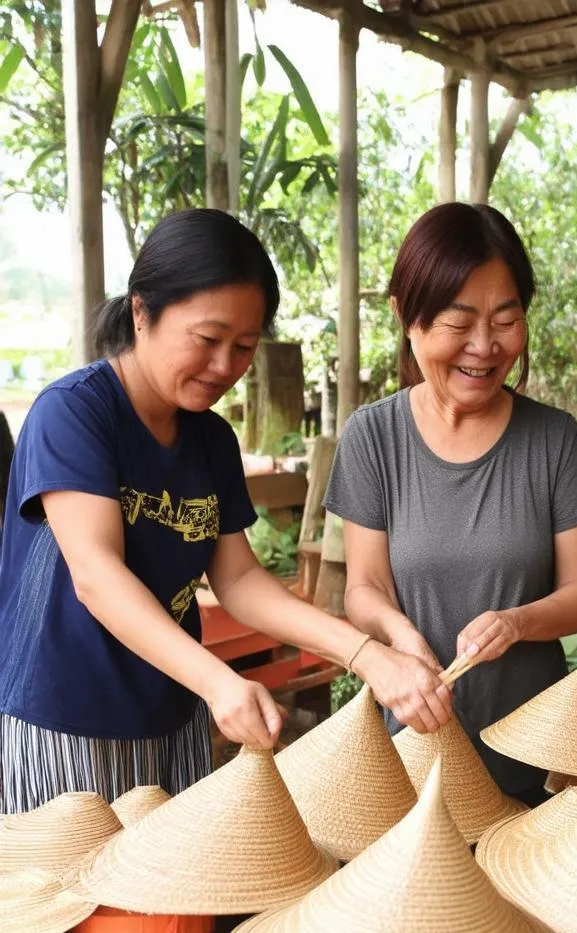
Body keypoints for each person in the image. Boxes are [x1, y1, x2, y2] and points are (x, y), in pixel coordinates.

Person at [0, 209, 433, 814]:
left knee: (172, 905)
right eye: (207, 340)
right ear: (142, 312)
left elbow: (238, 579)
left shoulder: (211, 441)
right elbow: (96, 576)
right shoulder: (74, 414)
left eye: (244, 347)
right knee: (71, 901)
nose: (225, 367)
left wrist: (365, 654)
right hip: (65, 715)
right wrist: (216, 680)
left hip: (171, 712)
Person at [324, 203, 577, 804]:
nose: (484, 346)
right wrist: (400, 635)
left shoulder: (554, 438)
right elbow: (363, 589)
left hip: (533, 753)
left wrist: (517, 621)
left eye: (506, 319)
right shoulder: (373, 436)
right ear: (406, 315)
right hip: (412, 750)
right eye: (459, 322)